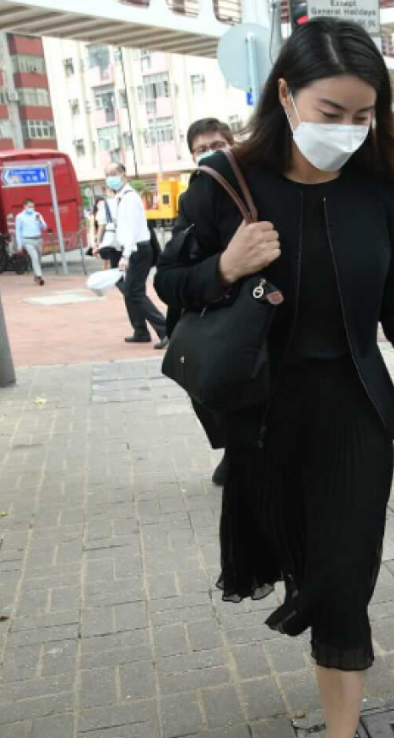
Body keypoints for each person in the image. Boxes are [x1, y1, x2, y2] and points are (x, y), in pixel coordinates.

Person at [153, 19, 394, 738]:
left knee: (342, 582)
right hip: (263, 419)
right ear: (287, 94)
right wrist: (225, 264)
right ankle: (316, 609)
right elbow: (171, 281)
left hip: (356, 415)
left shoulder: (377, 188)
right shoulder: (226, 180)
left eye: (365, 115)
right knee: (300, 560)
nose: (351, 131)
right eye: (333, 112)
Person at [158, 117, 236, 487]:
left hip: (250, 311)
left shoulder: (253, 189)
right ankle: (231, 447)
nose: (210, 154)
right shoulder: (193, 198)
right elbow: (172, 270)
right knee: (202, 389)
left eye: (218, 145)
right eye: (201, 149)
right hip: (204, 309)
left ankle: (241, 451)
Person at [106, 162, 168, 349]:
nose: (111, 177)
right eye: (107, 174)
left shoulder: (130, 197)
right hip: (132, 249)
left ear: (123, 174)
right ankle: (140, 330)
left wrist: (125, 254)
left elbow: (132, 229)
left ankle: (166, 329)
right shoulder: (121, 198)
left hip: (137, 250)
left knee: (134, 292)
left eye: (114, 173)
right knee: (130, 291)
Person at [14, 198, 47, 286]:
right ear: (24, 206)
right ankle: (40, 276)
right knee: (34, 257)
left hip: (38, 239)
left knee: (39, 258)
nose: (31, 208)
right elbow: (18, 231)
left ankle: (36, 276)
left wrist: (40, 221)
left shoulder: (37, 214)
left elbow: (44, 227)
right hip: (27, 240)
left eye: (33, 206)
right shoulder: (20, 217)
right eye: (29, 206)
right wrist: (19, 245)